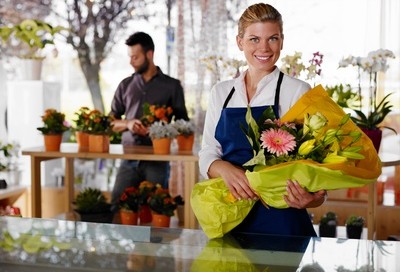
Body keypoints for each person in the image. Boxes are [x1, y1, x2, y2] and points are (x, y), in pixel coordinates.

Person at [198, 3, 326, 237]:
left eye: (273, 39)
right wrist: (223, 168)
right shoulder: (221, 92)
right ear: (240, 42)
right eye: (254, 39)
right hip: (230, 216)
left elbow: (320, 167)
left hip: (283, 222)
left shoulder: (298, 91)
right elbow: (208, 151)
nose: (264, 48)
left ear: (282, 41)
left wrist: (311, 199)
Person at [110, 32, 189, 213]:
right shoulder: (125, 85)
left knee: (158, 210)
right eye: (130, 57)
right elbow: (110, 122)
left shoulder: (172, 86)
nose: (131, 61)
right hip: (128, 158)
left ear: (150, 54)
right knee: (116, 205)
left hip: (158, 160)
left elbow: (184, 124)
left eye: (135, 57)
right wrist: (128, 124)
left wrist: (160, 130)